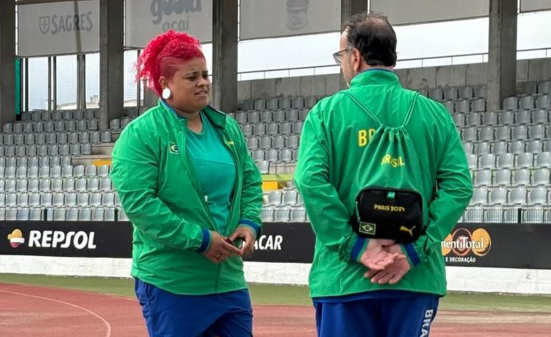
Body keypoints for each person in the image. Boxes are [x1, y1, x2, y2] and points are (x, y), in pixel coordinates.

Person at [294, 13, 473, 337]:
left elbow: (310, 181)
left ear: (355, 57)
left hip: (343, 279)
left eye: (341, 56)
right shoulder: (434, 114)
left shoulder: (326, 113)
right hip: (415, 279)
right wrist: (416, 250)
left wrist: (357, 246)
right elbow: (458, 187)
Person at [110, 30, 264, 337]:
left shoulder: (227, 128)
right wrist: (201, 240)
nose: (203, 83)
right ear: (165, 85)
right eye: (192, 77)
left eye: (205, 75)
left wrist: (249, 223)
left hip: (229, 280)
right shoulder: (141, 134)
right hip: (172, 282)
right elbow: (141, 205)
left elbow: (249, 181)